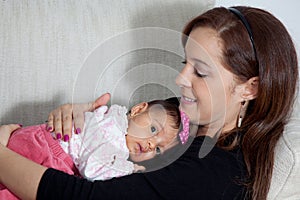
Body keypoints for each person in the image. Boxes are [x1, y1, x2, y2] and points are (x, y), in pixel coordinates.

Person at [0, 6, 298, 200]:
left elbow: (79, 197)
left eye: (200, 71)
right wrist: (77, 118)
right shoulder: (185, 116)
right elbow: (114, 131)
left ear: (249, 88)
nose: (180, 78)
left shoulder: (212, 174)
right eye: (185, 63)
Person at [0, 99, 187, 199]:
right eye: (153, 129)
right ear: (138, 109)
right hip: (46, 153)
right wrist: (130, 170)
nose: (150, 144)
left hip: (39, 143)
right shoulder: (114, 131)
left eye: (158, 150)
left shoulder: (112, 118)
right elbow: (94, 169)